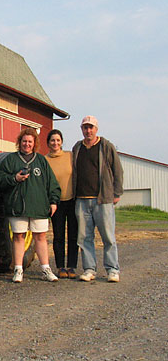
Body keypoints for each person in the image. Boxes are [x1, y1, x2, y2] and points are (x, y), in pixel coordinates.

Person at [0, 128, 61, 283]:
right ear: (20, 142)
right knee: (18, 236)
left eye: (30, 142)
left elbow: (52, 183)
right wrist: (15, 178)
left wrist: (53, 201)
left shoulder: (41, 161)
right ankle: (18, 269)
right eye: (24, 141)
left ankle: (45, 268)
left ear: (34, 143)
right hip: (17, 206)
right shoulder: (11, 160)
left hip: (38, 206)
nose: (27, 144)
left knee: (40, 236)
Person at [72, 115, 123, 283]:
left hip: (103, 200)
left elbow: (118, 170)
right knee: (84, 238)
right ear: (82, 129)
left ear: (96, 129)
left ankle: (112, 269)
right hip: (82, 200)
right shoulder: (77, 148)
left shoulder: (106, 146)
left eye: (91, 127)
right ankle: (89, 269)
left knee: (108, 237)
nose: (88, 130)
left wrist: (116, 193)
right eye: (85, 127)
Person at [45, 129, 79, 279]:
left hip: (72, 201)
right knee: (58, 236)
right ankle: (60, 267)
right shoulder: (45, 160)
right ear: (48, 143)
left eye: (58, 140)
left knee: (73, 235)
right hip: (56, 203)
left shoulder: (70, 156)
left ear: (62, 142)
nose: (55, 143)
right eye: (52, 140)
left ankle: (72, 266)